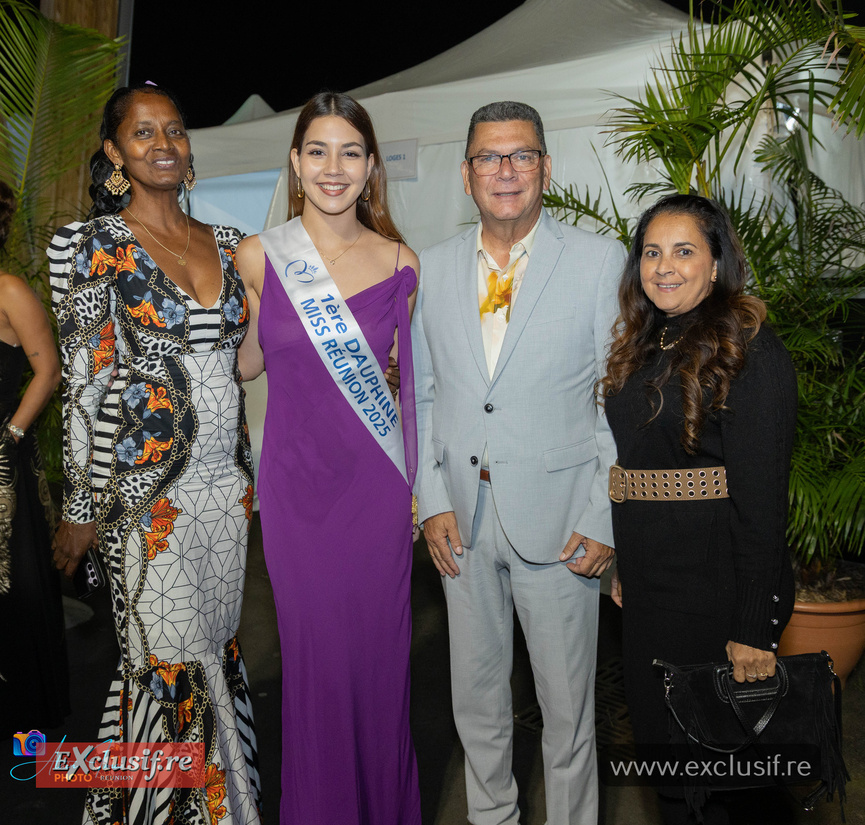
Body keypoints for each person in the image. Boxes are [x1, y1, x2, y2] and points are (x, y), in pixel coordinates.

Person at [48, 84, 261, 824]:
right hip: (145, 496)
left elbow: (249, 361)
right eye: (143, 133)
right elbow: (84, 386)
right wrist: (82, 506)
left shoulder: (231, 244)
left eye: (174, 130)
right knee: (164, 661)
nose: (164, 144)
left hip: (225, 491)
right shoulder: (92, 246)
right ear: (115, 152)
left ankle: (220, 803)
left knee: (213, 650)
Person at [411, 101, 626, 825]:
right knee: (476, 705)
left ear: (545, 167)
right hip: (461, 527)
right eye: (488, 157)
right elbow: (423, 395)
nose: (505, 170)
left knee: (567, 713)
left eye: (521, 155)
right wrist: (432, 500)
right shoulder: (432, 267)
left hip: (563, 526)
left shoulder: (597, 261)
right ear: (466, 173)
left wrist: (602, 515)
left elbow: (617, 398)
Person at [235, 91, 421, 825]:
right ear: (295, 161)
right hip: (295, 494)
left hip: (373, 493)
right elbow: (247, 362)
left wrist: (420, 489)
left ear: (371, 166)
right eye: (317, 151)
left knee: (377, 665)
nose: (333, 167)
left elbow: (408, 386)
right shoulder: (259, 255)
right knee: (314, 666)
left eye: (350, 152)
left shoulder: (401, 263)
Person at [601, 194, 797, 825]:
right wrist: (625, 562)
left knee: (726, 785)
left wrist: (754, 626)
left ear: (716, 264)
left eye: (684, 251)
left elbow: (763, 503)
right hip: (652, 591)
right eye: (651, 252)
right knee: (670, 774)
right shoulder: (643, 341)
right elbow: (640, 468)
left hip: (717, 593)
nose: (664, 266)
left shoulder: (748, 349)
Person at [0, 180, 68, 739]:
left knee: (15, 594)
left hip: (2, 462)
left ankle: (27, 727)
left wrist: (12, 436)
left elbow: (49, 370)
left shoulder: (9, 290)